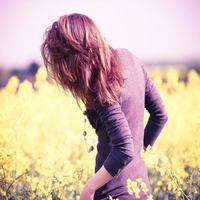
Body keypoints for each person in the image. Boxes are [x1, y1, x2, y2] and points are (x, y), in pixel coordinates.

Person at [41, 13, 168, 200]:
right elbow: (160, 115)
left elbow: (124, 148)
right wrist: (138, 157)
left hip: (113, 193)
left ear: (74, 54)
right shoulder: (130, 58)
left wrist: (89, 189)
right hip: (141, 189)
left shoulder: (98, 83)